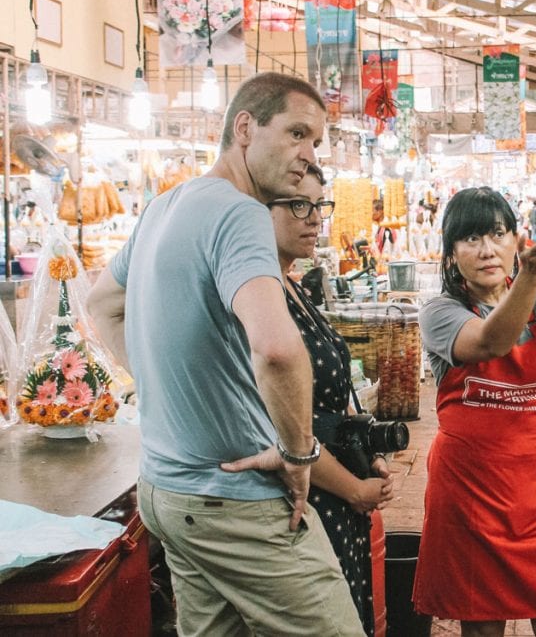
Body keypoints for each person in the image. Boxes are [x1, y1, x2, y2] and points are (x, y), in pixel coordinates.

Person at [87, 72, 365, 636]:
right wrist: (299, 454)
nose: (307, 156)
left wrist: (165, 382)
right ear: (244, 127)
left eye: (315, 143)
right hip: (237, 505)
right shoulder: (240, 213)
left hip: (167, 494)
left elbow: (102, 304)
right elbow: (279, 350)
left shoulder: (165, 206)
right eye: (296, 134)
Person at [412, 187, 536, 637]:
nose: (487, 250)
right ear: (451, 253)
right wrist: (528, 277)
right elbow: (489, 341)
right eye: (471, 239)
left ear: (514, 239)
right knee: (482, 627)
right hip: (471, 492)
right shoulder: (440, 312)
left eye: (498, 234)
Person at [267, 164, 395, 636]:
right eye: (299, 205)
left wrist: (370, 453)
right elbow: (281, 424)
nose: (314, 218)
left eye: (320, 206)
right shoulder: (260, 300)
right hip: (310, 500)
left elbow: (336, 396)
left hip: (338, 496)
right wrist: (353, 488)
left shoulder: (294, 287)